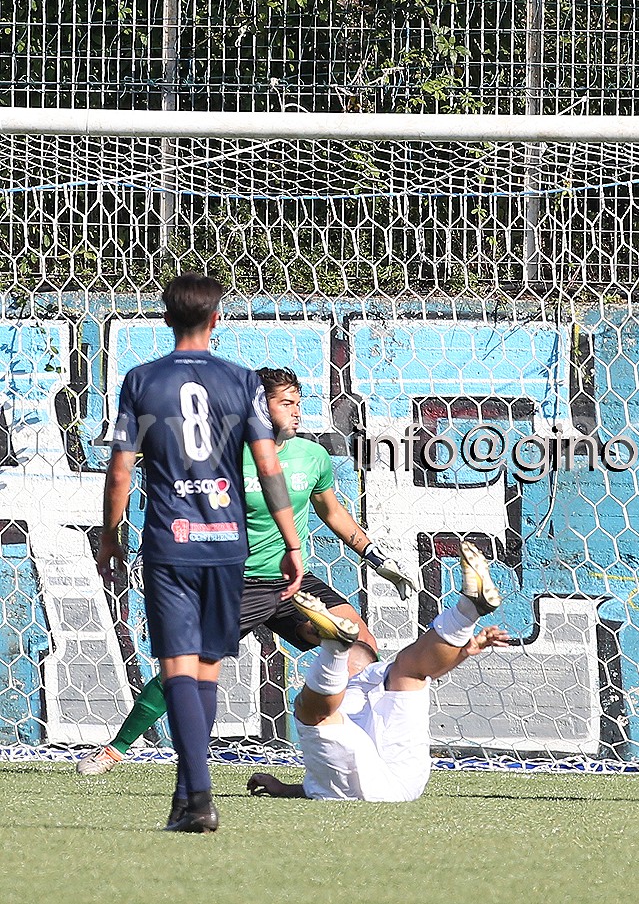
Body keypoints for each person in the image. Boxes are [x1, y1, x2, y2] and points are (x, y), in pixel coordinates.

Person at [79, 366, 420, 777]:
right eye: (287, 403)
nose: (297, 412)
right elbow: (140, 467)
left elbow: (332, 512)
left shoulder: (312, 457)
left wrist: (377, 558)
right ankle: (116, 749)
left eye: (299, 403)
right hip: (234, 586)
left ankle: (368, 749)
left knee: (362, 646)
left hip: (293, 582)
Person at [96, 274, 304, 834]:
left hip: (171, 541)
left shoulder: (142, 379)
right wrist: (290, 541)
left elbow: (121, 468)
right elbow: (268, 466)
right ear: (217, 319)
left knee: (176, 666)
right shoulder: (241, 382)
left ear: (166, 318)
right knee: (207, 668)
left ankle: (199, 796)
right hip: (225, 544)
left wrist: (111, 534)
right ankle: (188, 798)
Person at [247, 541, 506, 802]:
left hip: (384, 787)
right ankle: (468, 611)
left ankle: (334, 649)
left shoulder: (352, 688)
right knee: (410, 671)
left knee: (312, 712)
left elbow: (335, 769)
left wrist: (284, 789)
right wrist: (460, 652)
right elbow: (426, 670)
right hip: (406, 776)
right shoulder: (383, 674)